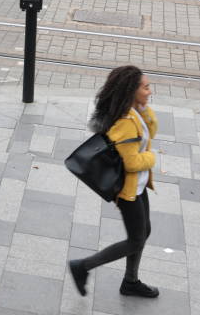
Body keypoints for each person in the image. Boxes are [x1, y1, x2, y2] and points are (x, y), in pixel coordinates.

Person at [68, 65, 159, 299]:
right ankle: (83, 266)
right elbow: (131, 162)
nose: (150, 91)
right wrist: (151, 158)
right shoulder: (126, 121)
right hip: (128, 191)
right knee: (136, 239)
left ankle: (130, 281)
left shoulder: (133, 111)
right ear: (131, 90)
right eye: (146, 87)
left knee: (143, 232)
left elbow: (152, 132)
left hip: (138, 186)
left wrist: (145, 110)